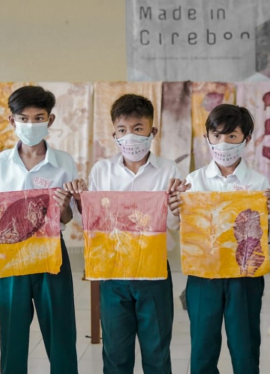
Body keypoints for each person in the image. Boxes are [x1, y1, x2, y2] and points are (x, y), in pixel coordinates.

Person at [64, 94, 181, 374]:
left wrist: (178, 206)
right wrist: (81, 201)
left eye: (138, 128)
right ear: (114, 134)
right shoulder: (102, 170)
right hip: (113, 274)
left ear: (153, 131)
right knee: (116, 353)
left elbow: (174, 225)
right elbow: (91, 224)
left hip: (153, 273)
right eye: (122, 130)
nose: (130, 136)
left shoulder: (169, 170)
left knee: (157, 352)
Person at [0, 86, 79, 374]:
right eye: (23, 118)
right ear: (11, 120)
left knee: (60, 331)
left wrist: (64, 204)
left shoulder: (63, 161)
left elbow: (67, 217)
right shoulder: (2, 161)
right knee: (12, 332)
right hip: (11, 255)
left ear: (50, 121)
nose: (30, 124)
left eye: (38, 117)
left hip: (51, 252)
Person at [168, 104, 270, 374]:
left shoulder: (259, 183)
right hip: (203, 276)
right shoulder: (193, 181)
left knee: (245, 347)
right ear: (207, 138)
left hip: (245, 277)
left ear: (246, 139)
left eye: (232, 136)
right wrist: (174, 210)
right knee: (203, 348)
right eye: (216, 136)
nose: (223, 143)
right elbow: (178, 226)